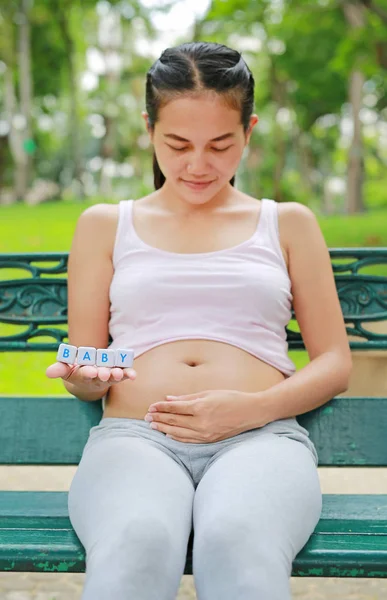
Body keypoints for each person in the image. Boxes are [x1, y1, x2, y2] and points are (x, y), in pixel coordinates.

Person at [46, 41, 352, 600]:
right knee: (137, 538)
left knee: (237, 537)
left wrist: (253, 409)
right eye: (178, 144)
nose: (197, 165)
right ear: (149, 128)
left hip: (262, 439)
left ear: (249, 130)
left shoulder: (288, 224)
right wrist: (81, 376)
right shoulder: (103, 226)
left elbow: (334, 362)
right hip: (135, 438)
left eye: (220, 145)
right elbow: (88, 371)